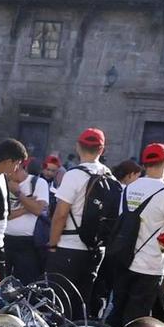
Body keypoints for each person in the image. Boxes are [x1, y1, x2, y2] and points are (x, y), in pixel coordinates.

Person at [100, 142, 164, 327]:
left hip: (123, 258)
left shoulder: (130, 187)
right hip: (150, 266)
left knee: (118, 309)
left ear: (145, 164)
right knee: (137, 317)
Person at [47, 127, 117, 311]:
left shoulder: (74, 175)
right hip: (96, 248)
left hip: (68, 247)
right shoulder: (109, 176)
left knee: (60, 302)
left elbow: (60, 214)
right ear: (102, 150)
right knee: (83, 302)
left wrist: (52, 244)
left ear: (78, 147)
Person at [1, 147, 53, 285]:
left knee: (27, 282)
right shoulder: (2, 182)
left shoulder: (37, 183)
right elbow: (4, 215)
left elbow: (38, 209)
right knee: (2, 280)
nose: (7, 175)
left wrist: (18, 193)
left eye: (9, 173)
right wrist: (26, 208)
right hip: (5, 239)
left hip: (28, 242)